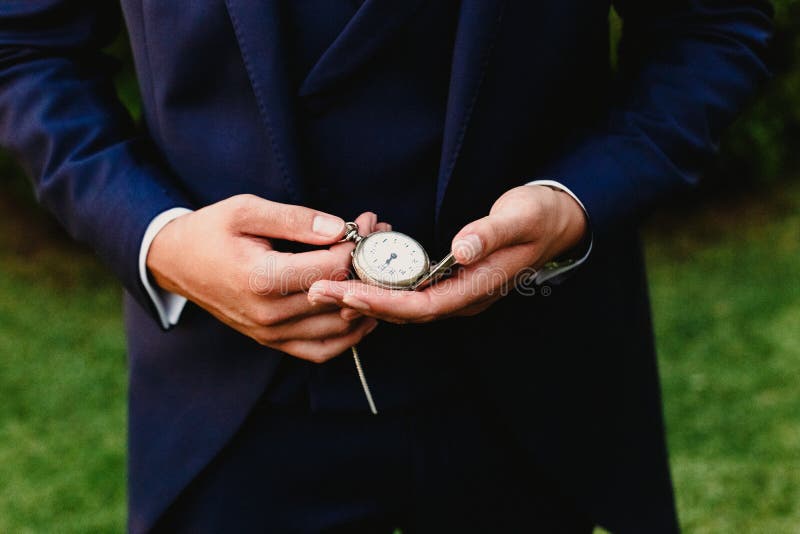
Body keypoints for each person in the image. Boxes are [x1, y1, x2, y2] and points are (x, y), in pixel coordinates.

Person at [0, 1, 773, 532]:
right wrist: (161, 240)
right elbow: (26, 48)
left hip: (531, 399)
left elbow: (712, 25)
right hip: (226, 409)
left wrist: (574, 201)